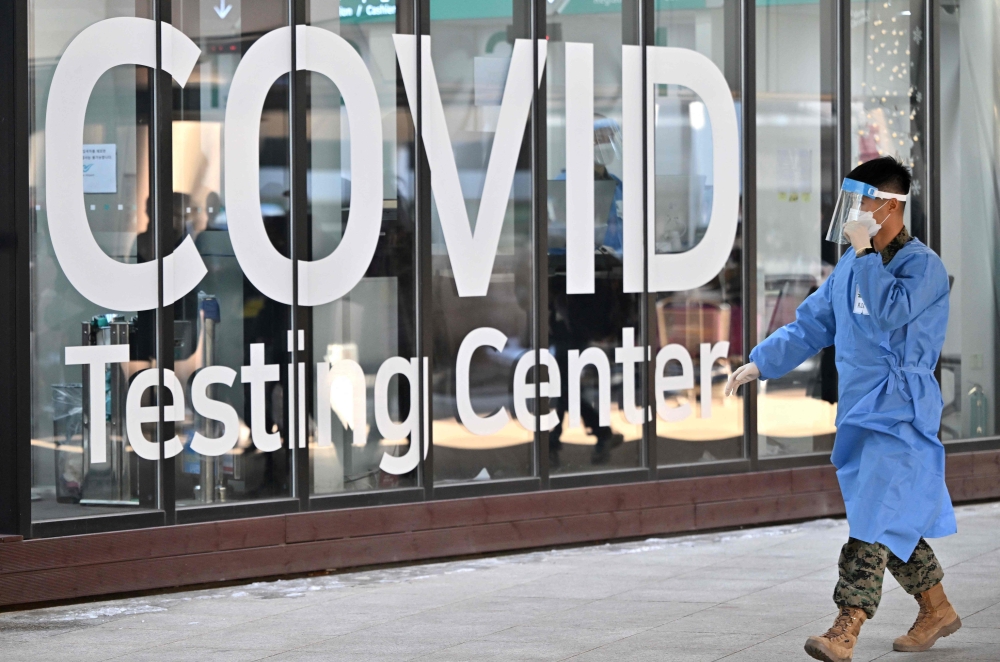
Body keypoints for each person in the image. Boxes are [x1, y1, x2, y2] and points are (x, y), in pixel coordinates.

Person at [725, 157, 961, 662]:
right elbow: (812, 324)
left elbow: (889, 311)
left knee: (872, 519)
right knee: (887, 515)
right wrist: (760, 363)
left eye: (863, 200)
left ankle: (845, 627)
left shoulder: (923, 267)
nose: (854, 211)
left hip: (901, 412)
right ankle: (936, 607)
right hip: (859, 410)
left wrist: (865, 253)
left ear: (889, 206)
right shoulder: (853, 264)